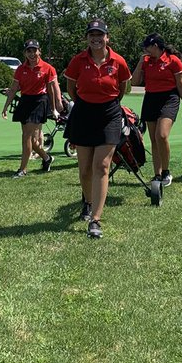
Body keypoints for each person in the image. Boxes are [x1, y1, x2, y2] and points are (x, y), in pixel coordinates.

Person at [63, 19, 132, 239]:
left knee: (101, 165)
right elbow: (71, 88)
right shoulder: (78, 61)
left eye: (99, 34)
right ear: (87, 38)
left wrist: (108, 103)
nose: (96, 38)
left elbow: (122, 89)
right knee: (84, 170)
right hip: (83, 112)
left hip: (109, 113)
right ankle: (88, 200)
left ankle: (95, 219)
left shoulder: (118, 61)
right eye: (91, 34)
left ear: (107, 37)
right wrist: (85, 104)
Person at [129, 33, 182, 187]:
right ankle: (157, 175)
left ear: (155, 46)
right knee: (154, 140)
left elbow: (180, 86)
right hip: (151, 98)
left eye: (147, 47)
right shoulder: (146, 61)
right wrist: (139, 62)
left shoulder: (173, 61)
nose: (145, 50)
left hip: (169, 99)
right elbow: (135, 81)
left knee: (162, 135)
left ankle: (166, 172)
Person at [1, 40, 62, 177]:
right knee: (31, 140)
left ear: (39, 51)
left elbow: (51, 90)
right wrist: (5, 106)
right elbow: (14, 89)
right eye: (29, 51)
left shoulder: (47, 68)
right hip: (25, 101)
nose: (32, 54)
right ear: (25, 53)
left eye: (34, 50)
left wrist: (53, 108)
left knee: (26, 136)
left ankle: (22, 169)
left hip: (40, 101)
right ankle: (47, 158)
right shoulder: (21, 69)